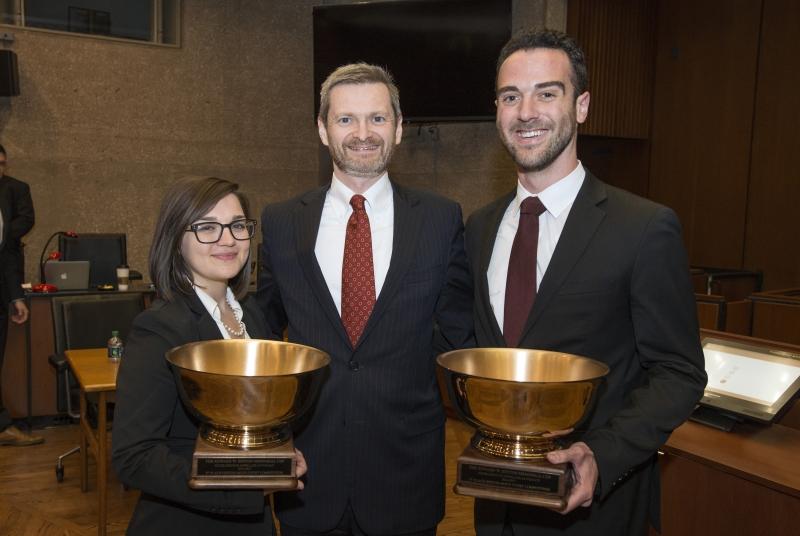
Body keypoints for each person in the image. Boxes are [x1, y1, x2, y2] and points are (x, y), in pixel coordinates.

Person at [465, 30, 707, 535]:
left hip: (597, 510)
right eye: (511, 96)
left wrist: (601, 453)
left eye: (547, 93)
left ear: (582, 106)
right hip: (496, 508)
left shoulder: (643, 227)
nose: (526, 111)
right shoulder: (480, 228)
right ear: (498, 110)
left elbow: (678, 371)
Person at [257, 63, 473, 535]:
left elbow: (460, 335)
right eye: (346, 119)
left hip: (405, 471)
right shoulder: (280, 221)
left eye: (377, 118)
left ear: (399, 129)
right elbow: (262, 333)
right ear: (322, 128)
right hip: (308, 472)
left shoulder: (441, 219)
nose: (363, 133)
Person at [112, 176, 305, 534]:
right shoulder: (159, 329)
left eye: (236, 226)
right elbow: (134, 457)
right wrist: (248, 482)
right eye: (206, 227)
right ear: (175, 240)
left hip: (256, 522)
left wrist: (281, 455)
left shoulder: (253, 315)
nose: (227, 239)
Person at [0, 143, 39, 447]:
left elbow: (9, 256)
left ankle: (2, 426)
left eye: (1, 164)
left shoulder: (15, 190)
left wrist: (16, 297)